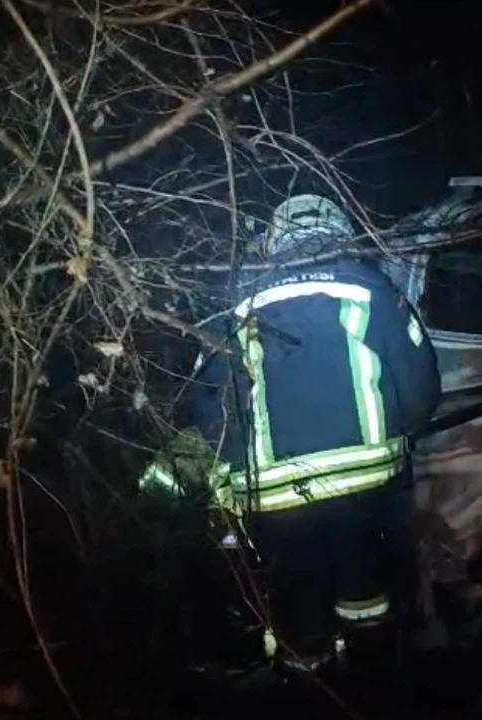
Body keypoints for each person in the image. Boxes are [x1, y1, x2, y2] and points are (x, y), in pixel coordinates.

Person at [140, 194, 441, 672]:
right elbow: (420, 388)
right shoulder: (375, 291)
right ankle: (372, 675)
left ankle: (307, 676)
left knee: (298, 609)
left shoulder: (236, 306)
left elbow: (212, 401)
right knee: (366, 599)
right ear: (342, 233)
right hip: (364, 487)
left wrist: (232, 468)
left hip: (275, 497)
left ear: (273, 243)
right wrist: (402, 432)